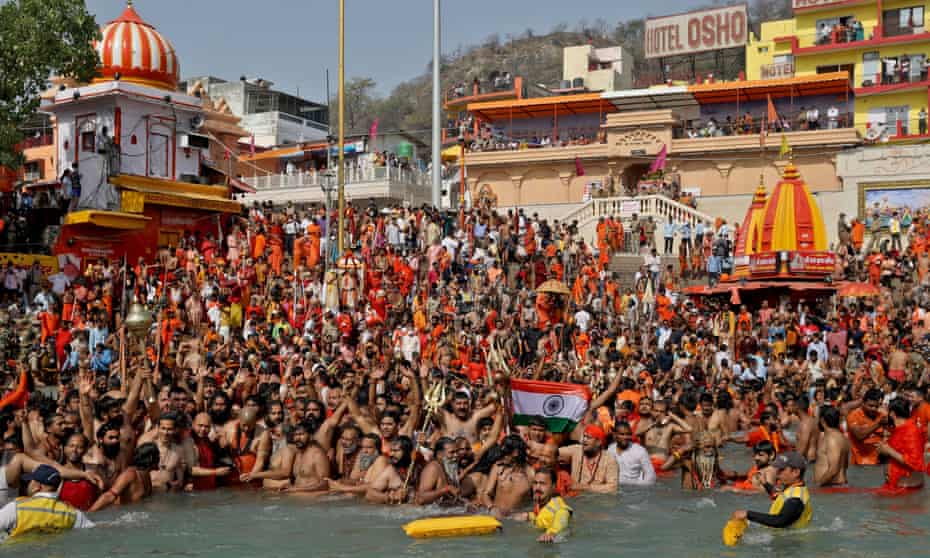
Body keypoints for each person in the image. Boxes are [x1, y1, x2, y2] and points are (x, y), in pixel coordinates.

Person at [0, 464, 94, 538]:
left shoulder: (15, 508)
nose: (27, 485)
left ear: (36, 486)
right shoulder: (74, 514)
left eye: (29, 482)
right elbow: (92, 529)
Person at [730, 451, 812, 529]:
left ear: (795, 472)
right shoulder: (793, 489)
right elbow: (778, 497)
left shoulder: (796, 499)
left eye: (781, 470)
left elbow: (780, 521)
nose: (776, 473)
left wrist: (748, 514)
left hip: (790, 542)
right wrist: (765, 483)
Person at [511, 468, 572, 543]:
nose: (537, 487)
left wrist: (551, 534)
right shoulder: (542, 504)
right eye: (535, 483)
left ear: (553, 487)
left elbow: (561, 518)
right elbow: (542, 517)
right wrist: (528, 516)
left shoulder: (560, 509)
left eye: (542, 483)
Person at [607, 421, 656, 486]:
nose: (625, 437)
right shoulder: (610, 449)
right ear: (615, 435)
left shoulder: (640, 451)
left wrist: (639, 489)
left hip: (634, 489)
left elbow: (651, 475)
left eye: (628, 434)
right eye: (622, 434)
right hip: (615, 487)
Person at [814, 406, 849, 487]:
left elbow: (833, 469)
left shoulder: (832, 439)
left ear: (822, 420)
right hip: (834, 487)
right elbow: (845, 465)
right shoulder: (840, 437)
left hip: (832, 487)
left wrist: (818, 486)